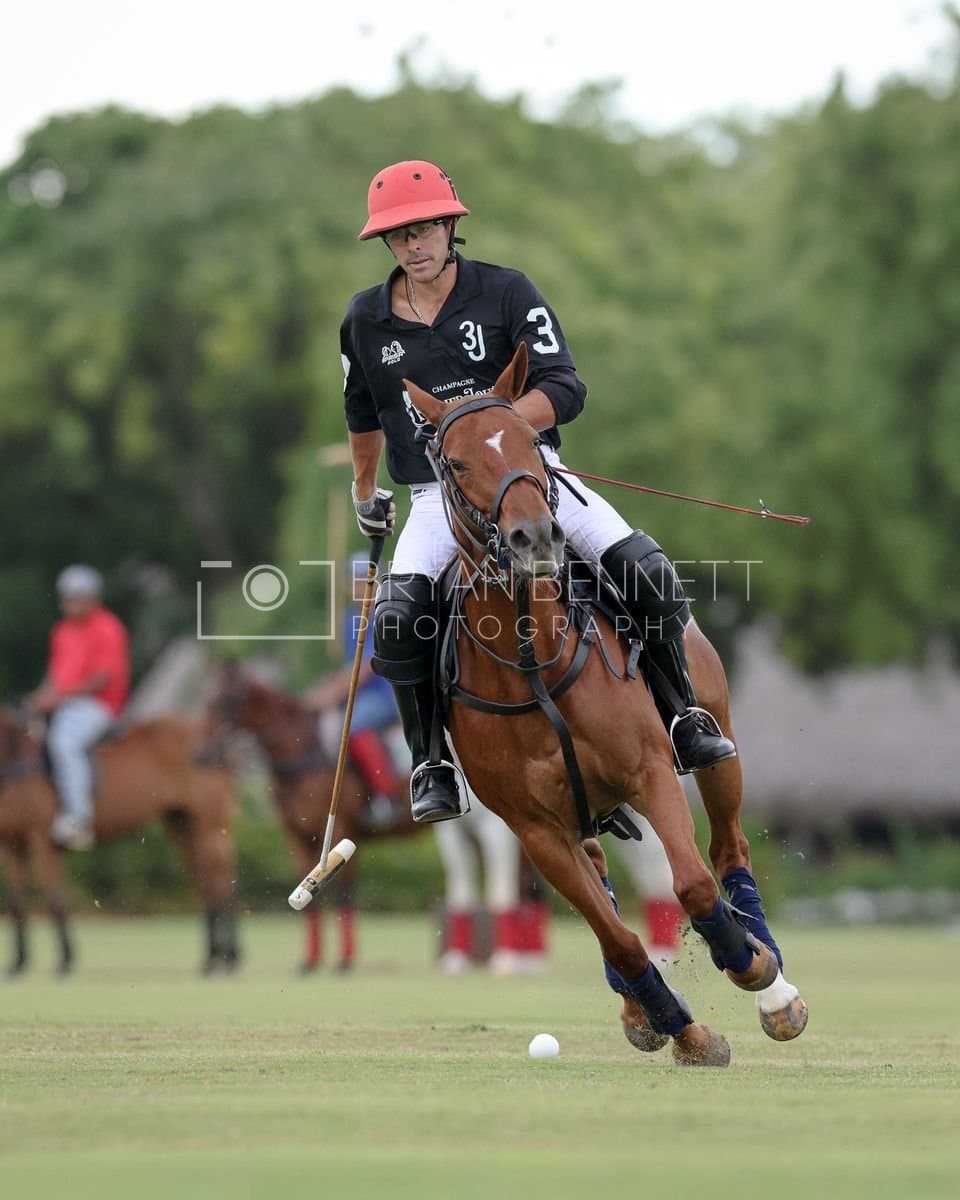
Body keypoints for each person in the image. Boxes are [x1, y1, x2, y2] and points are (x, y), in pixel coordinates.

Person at [340, 159, 735, 824]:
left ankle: (683, 714)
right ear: (387, 243)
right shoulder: (365, 319)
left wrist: (493, 435)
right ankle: (431, 760)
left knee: (645, 569)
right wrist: (363, 488)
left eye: (426, 228)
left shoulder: (505, 292)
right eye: (400, 235)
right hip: (439, 498)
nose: (414, 244)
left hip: (532, 474)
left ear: (450, 226)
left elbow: (564, 385)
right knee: (398, 620)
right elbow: (360, 410)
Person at [27, 565, 130, 850]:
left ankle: (78, 818)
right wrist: (37, 699)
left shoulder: (108, 627)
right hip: (65, 702)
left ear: (91, 598)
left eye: (74, 597)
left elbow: (102, 678)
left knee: (65, 741)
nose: (68, 603)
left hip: (99, 705)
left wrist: (57, 698)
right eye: (66, 597)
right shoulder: (61, 631)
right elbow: (55, 677)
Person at [306, 551, 402, 821]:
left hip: (389, 694)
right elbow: (349, 666)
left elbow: (367, 667)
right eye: (357, 582)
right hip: (361, 696)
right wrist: (329, 683)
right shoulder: (349, 618)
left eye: (367, 582)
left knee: (352, 726)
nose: (361, 588)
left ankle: (387, 797)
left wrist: (331, 693)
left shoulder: (387, 614)